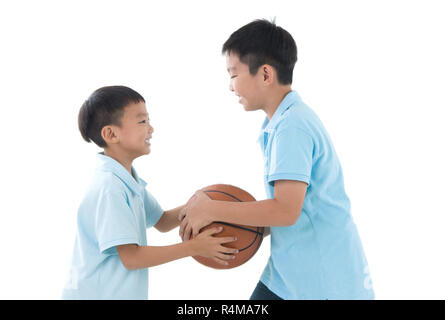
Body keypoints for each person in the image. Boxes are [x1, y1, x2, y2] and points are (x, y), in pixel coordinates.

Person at [179, 19, 375, 300]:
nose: (230, 86)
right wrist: (210, 214)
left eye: (233, 75)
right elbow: (292, 210)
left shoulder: (292, 127)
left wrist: (214, 210)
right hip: (289, 273)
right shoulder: (282, 122)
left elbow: (285, 210)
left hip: (324, 280)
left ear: (266, 74)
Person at [62, 85, 238, 299]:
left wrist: (206, 205)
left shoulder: (127, 179)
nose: (151, 128)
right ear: (111, 133)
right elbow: (132, 258)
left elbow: (162, 221)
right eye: (142, 121)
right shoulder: (110, 188)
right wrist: (195, 247)